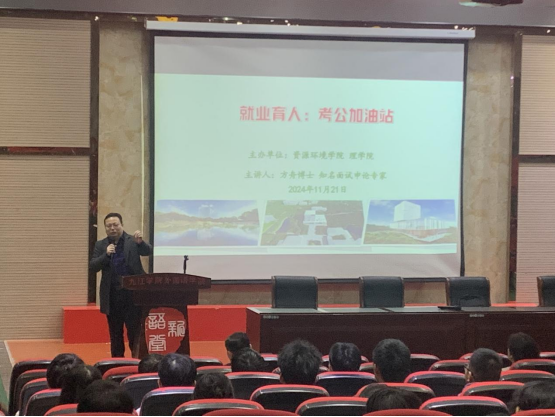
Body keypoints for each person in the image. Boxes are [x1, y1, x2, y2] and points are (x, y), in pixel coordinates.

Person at [90, 213, 152, 358]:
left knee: (134, 332)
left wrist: (141, 243)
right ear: (105, 228)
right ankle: (117, 362)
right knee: (115, 334)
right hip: (112, 296)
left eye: (115, 225)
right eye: (109, 226)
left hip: (133, 296)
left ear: (122, 225)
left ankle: (137, 360)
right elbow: (93, 266)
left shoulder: (133, 241)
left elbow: (147, 251)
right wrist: (106, 255)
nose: (112, 228)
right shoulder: (101, 245)